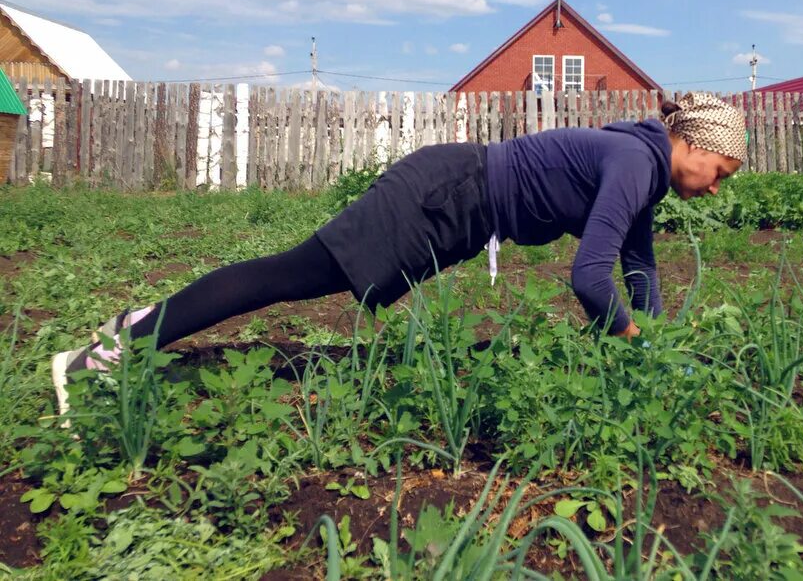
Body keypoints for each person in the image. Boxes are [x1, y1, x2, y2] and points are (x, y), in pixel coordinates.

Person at [51, 92, 745, 416]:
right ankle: (112, 348)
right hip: (444, 192)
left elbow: (637, 268)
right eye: (722, 171)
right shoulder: (633, 161)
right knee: (297, 274)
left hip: (457, 205)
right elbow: (590, 276)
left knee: (299, 275)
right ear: (696, 143)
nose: (717, 189)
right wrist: (631, 339)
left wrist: (657, 345)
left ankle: (140, 326)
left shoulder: (643, 172)